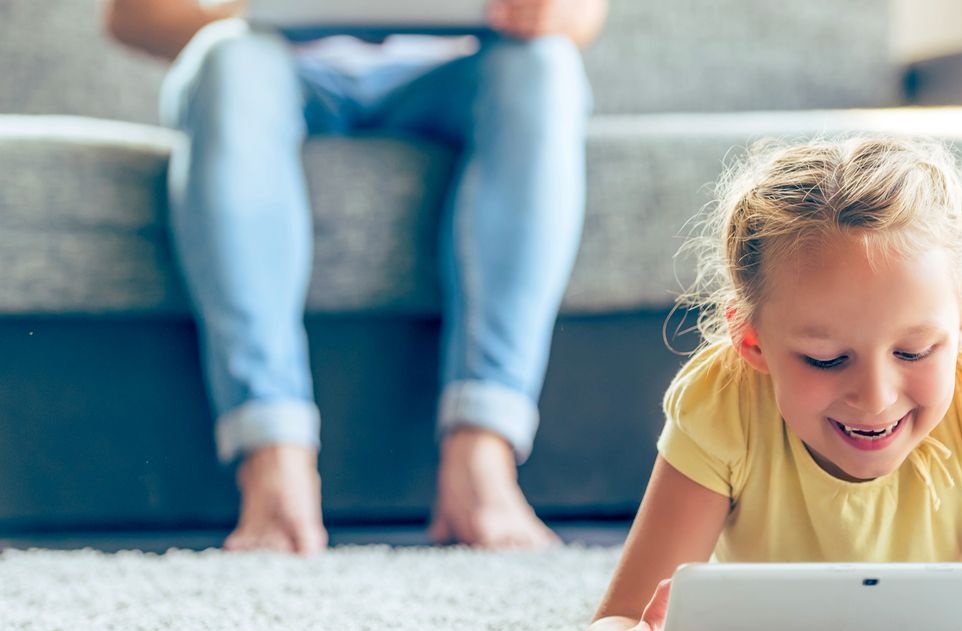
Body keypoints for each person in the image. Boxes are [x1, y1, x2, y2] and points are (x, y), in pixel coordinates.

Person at [104, 0, 608, 553]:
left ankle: (483, 454)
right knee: (227, 58)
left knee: (544, 65)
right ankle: (273, 460)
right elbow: (130, 15)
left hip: (461, 67)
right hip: (270, 60)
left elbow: (580, 17)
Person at [578, 137, 962, 631]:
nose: (875, 397)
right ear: (753, 343)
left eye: (913, 352)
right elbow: (613, 627)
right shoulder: (721, 401)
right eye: (825, 359)